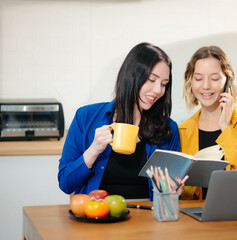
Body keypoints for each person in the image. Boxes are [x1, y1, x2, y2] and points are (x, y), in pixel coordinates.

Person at [58, 42, 180, 200]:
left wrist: (172, 190)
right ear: (131, 76)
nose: (158, 90)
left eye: (164, 84)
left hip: (147, 219)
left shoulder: (168, 129)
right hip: (98, 216)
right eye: (151, 79)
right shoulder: (86, 116)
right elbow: (65, 184)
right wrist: (94, 150)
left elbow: (168, 196)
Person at [179, 46, 237, 200]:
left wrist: (226, 128)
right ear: (190, 82)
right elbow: (184, 192)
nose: (206, 86)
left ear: (228, 81)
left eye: (214, 78)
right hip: (196, 215)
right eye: (198, 78)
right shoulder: (182, 130)